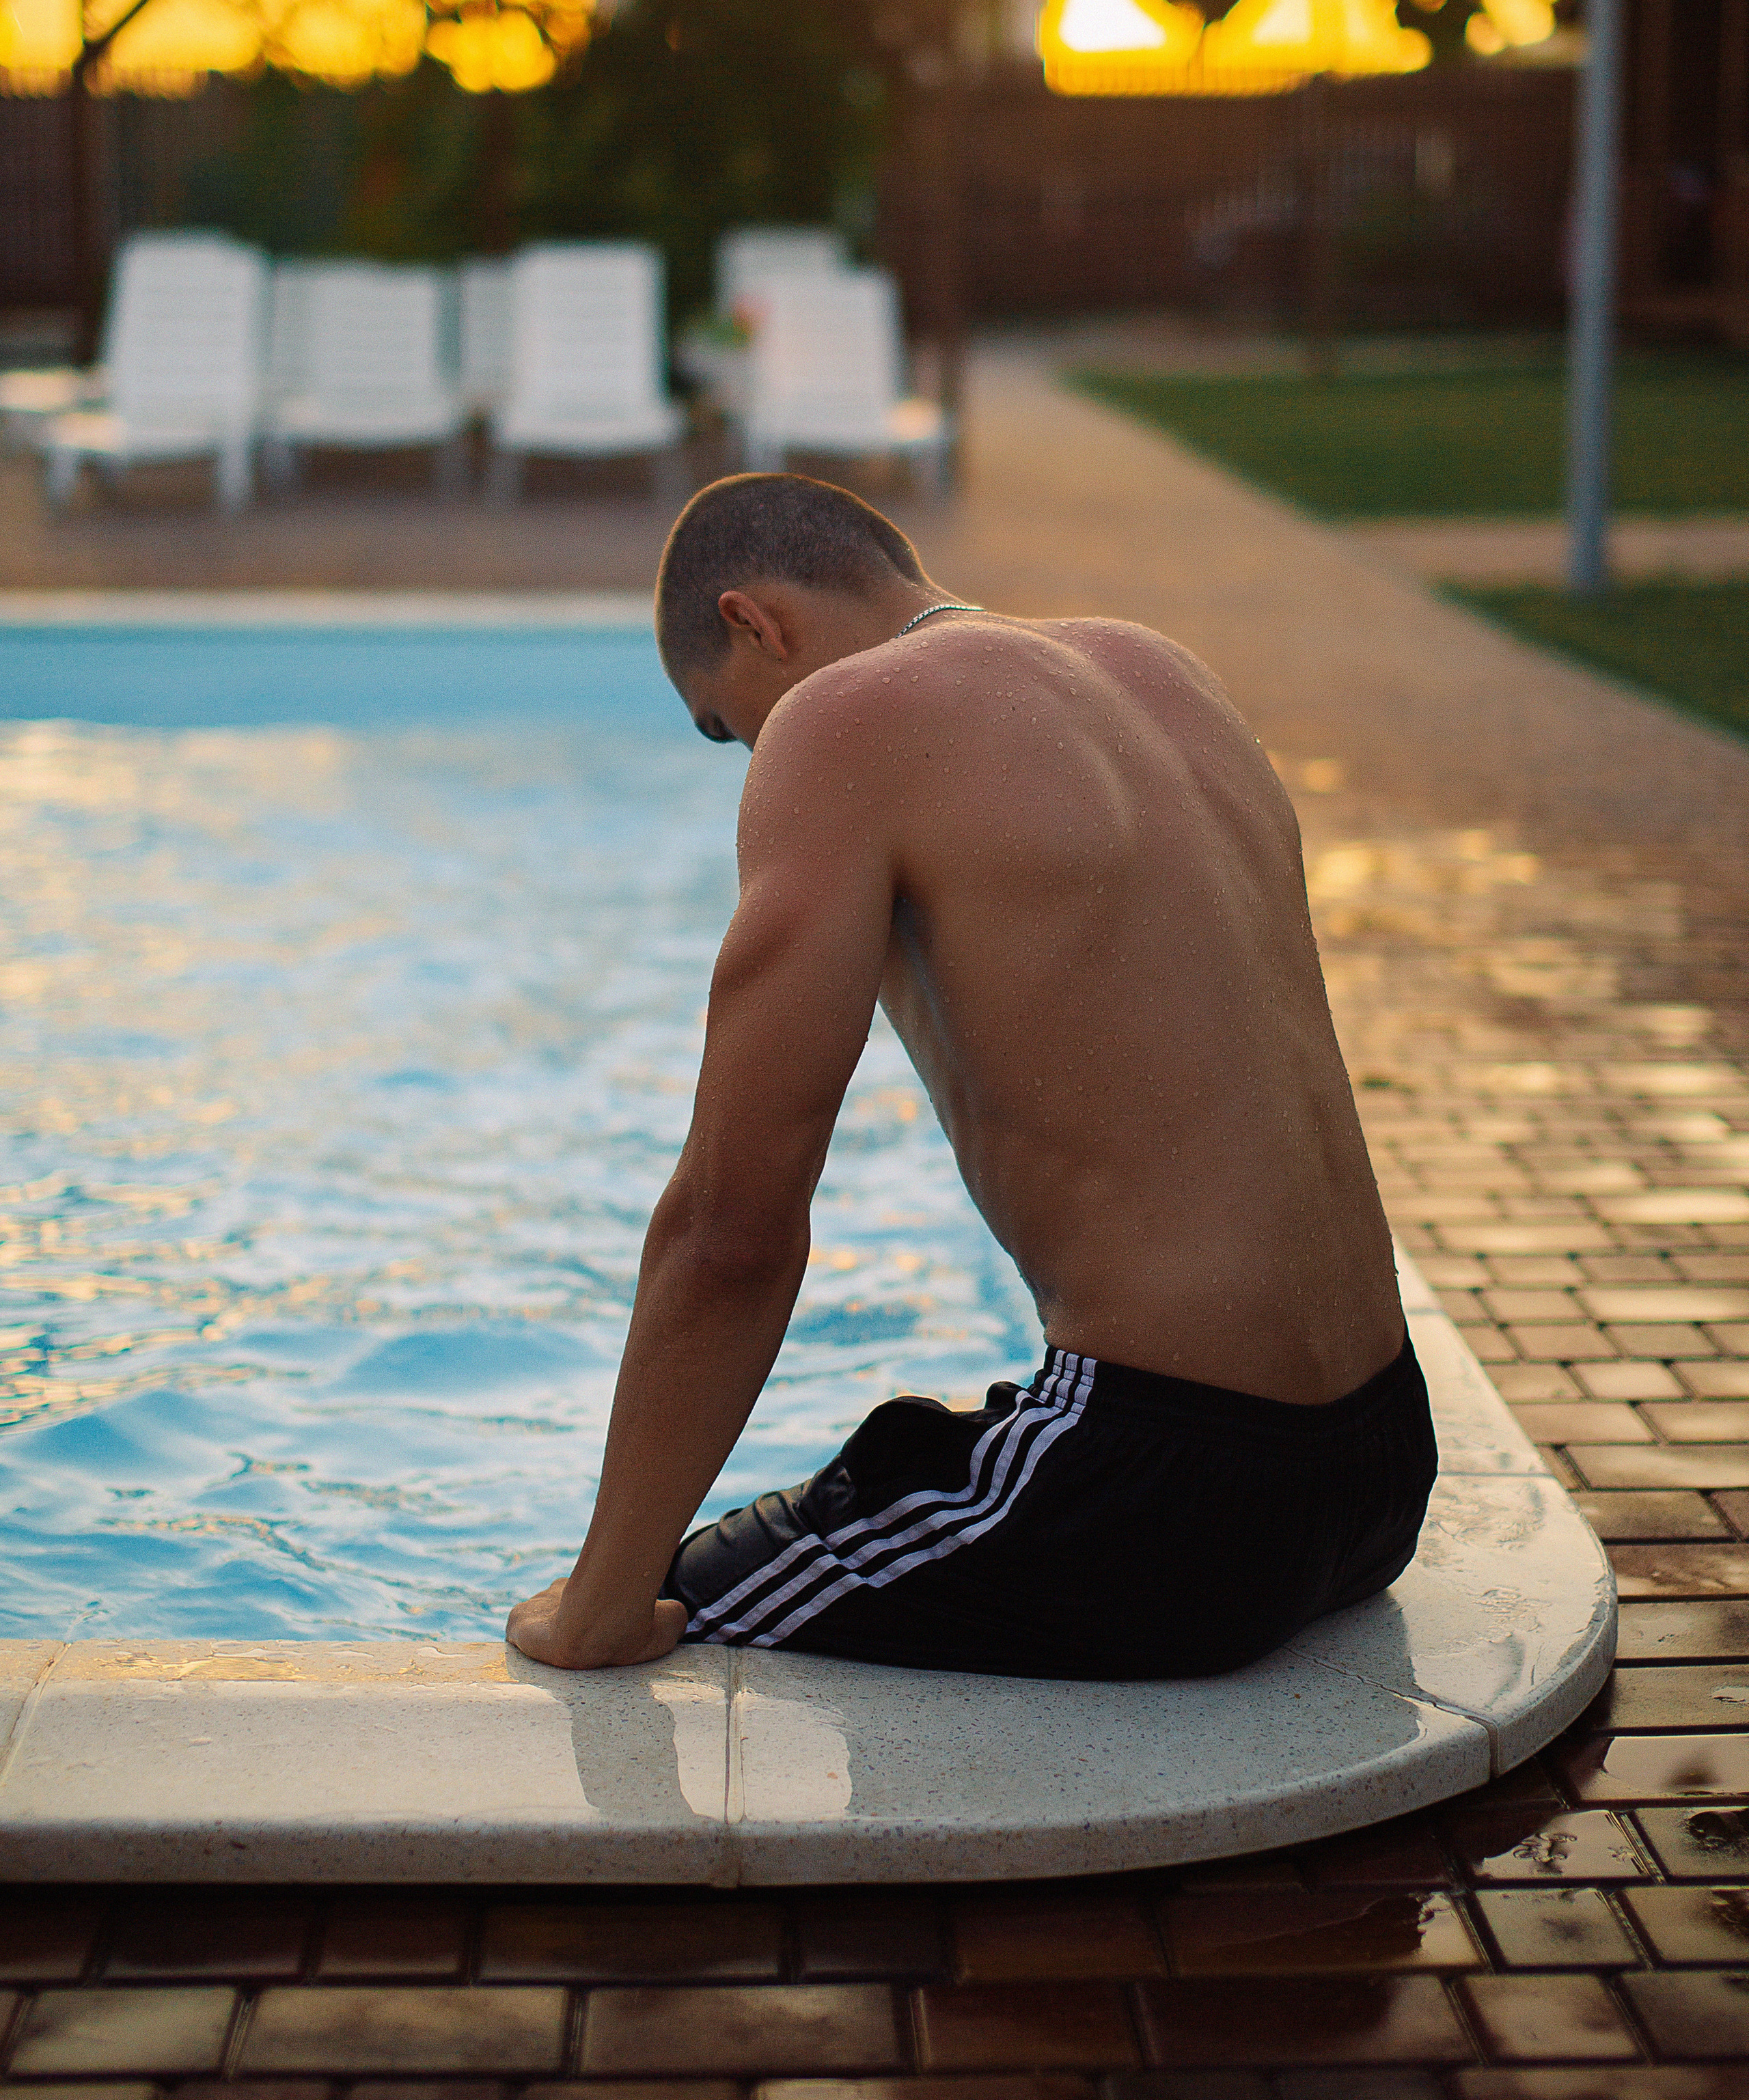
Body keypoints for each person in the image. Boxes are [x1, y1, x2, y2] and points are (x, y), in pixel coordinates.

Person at [506, 471, 1433, 1679]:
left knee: (666, 1604)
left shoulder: (843, 721)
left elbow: (730, 1230)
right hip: (1383, 1466)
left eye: (731, 729)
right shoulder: (1160, 674)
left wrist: (600, 1611)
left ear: (754, 623)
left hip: (1179, 1504)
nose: (757, 757)